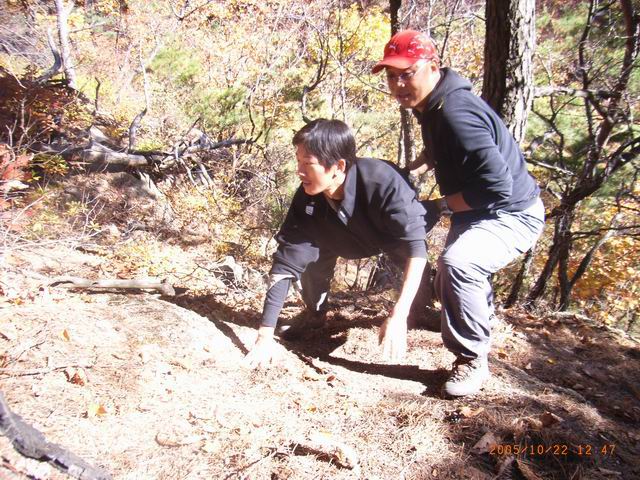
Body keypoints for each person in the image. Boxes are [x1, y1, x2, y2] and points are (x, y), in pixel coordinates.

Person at [372, 30, 545, 396]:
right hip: (480, 210)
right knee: (448, 281)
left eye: (407, 73)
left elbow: (498, 188)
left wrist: (441, 205)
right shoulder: (432, 104)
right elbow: (444, 147)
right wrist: (415, 169)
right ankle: (476, 319)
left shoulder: (455, 112)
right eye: (391, 75)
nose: (398, 84)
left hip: (512, 213)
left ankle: (471, 360)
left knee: (459, 266)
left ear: (433, 68)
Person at [244, 119, 432, 368]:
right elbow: (285, 263)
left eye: (308, 163)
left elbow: (416, 249)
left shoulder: (382, 180)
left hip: (387, 235)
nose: (299, 171)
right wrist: (264, 336)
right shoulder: (307, 197)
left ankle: (423, 311)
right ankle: (315, 314)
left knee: (419, 262)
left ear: (338, 166)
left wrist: (399, 315)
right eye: (297, 161)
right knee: (310, 259)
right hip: (339, 238)